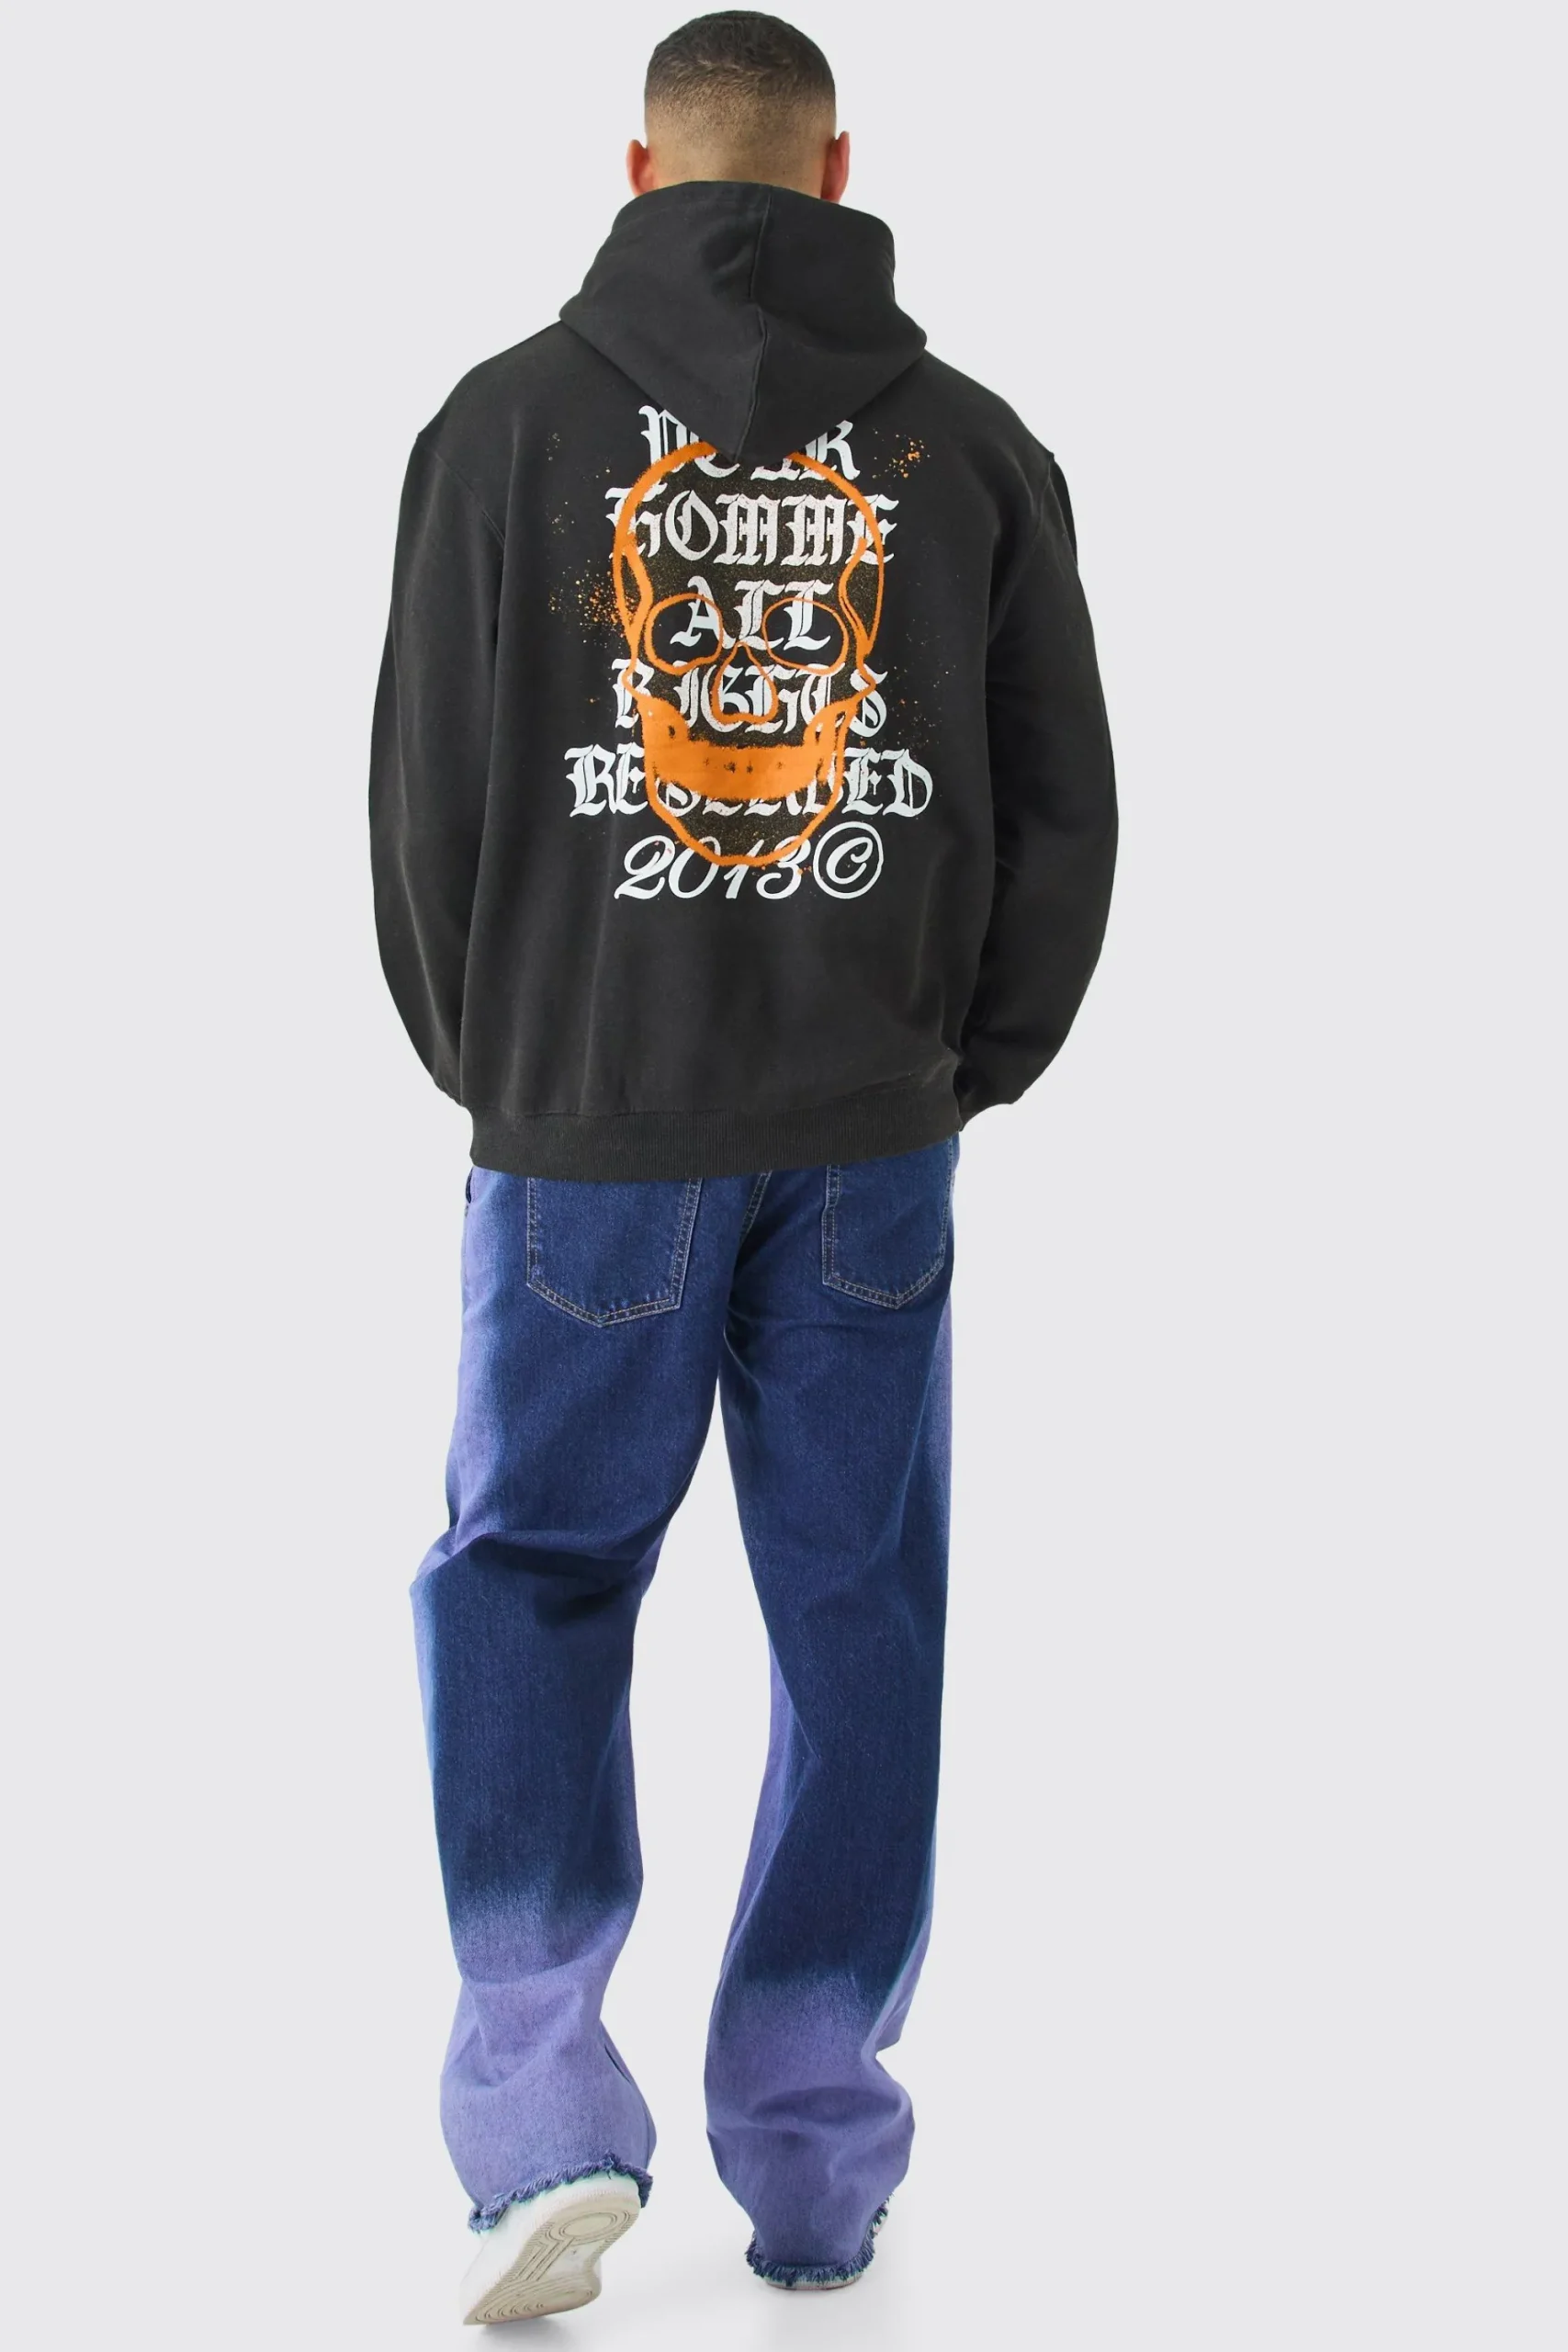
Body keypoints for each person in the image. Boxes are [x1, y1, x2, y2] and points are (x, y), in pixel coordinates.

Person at [370, 8, 1116, 2325]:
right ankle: (809, 2152)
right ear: (835, 170)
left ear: (639, 170)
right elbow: (1063, 802)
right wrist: (963, 1066)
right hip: (870, 1138)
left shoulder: (501, 427)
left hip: (589, 1121)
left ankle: (537, 2131)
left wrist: (508, 1068)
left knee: (529, 1579)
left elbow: (426, 793)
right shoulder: (971, 448)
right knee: (858, 1614)